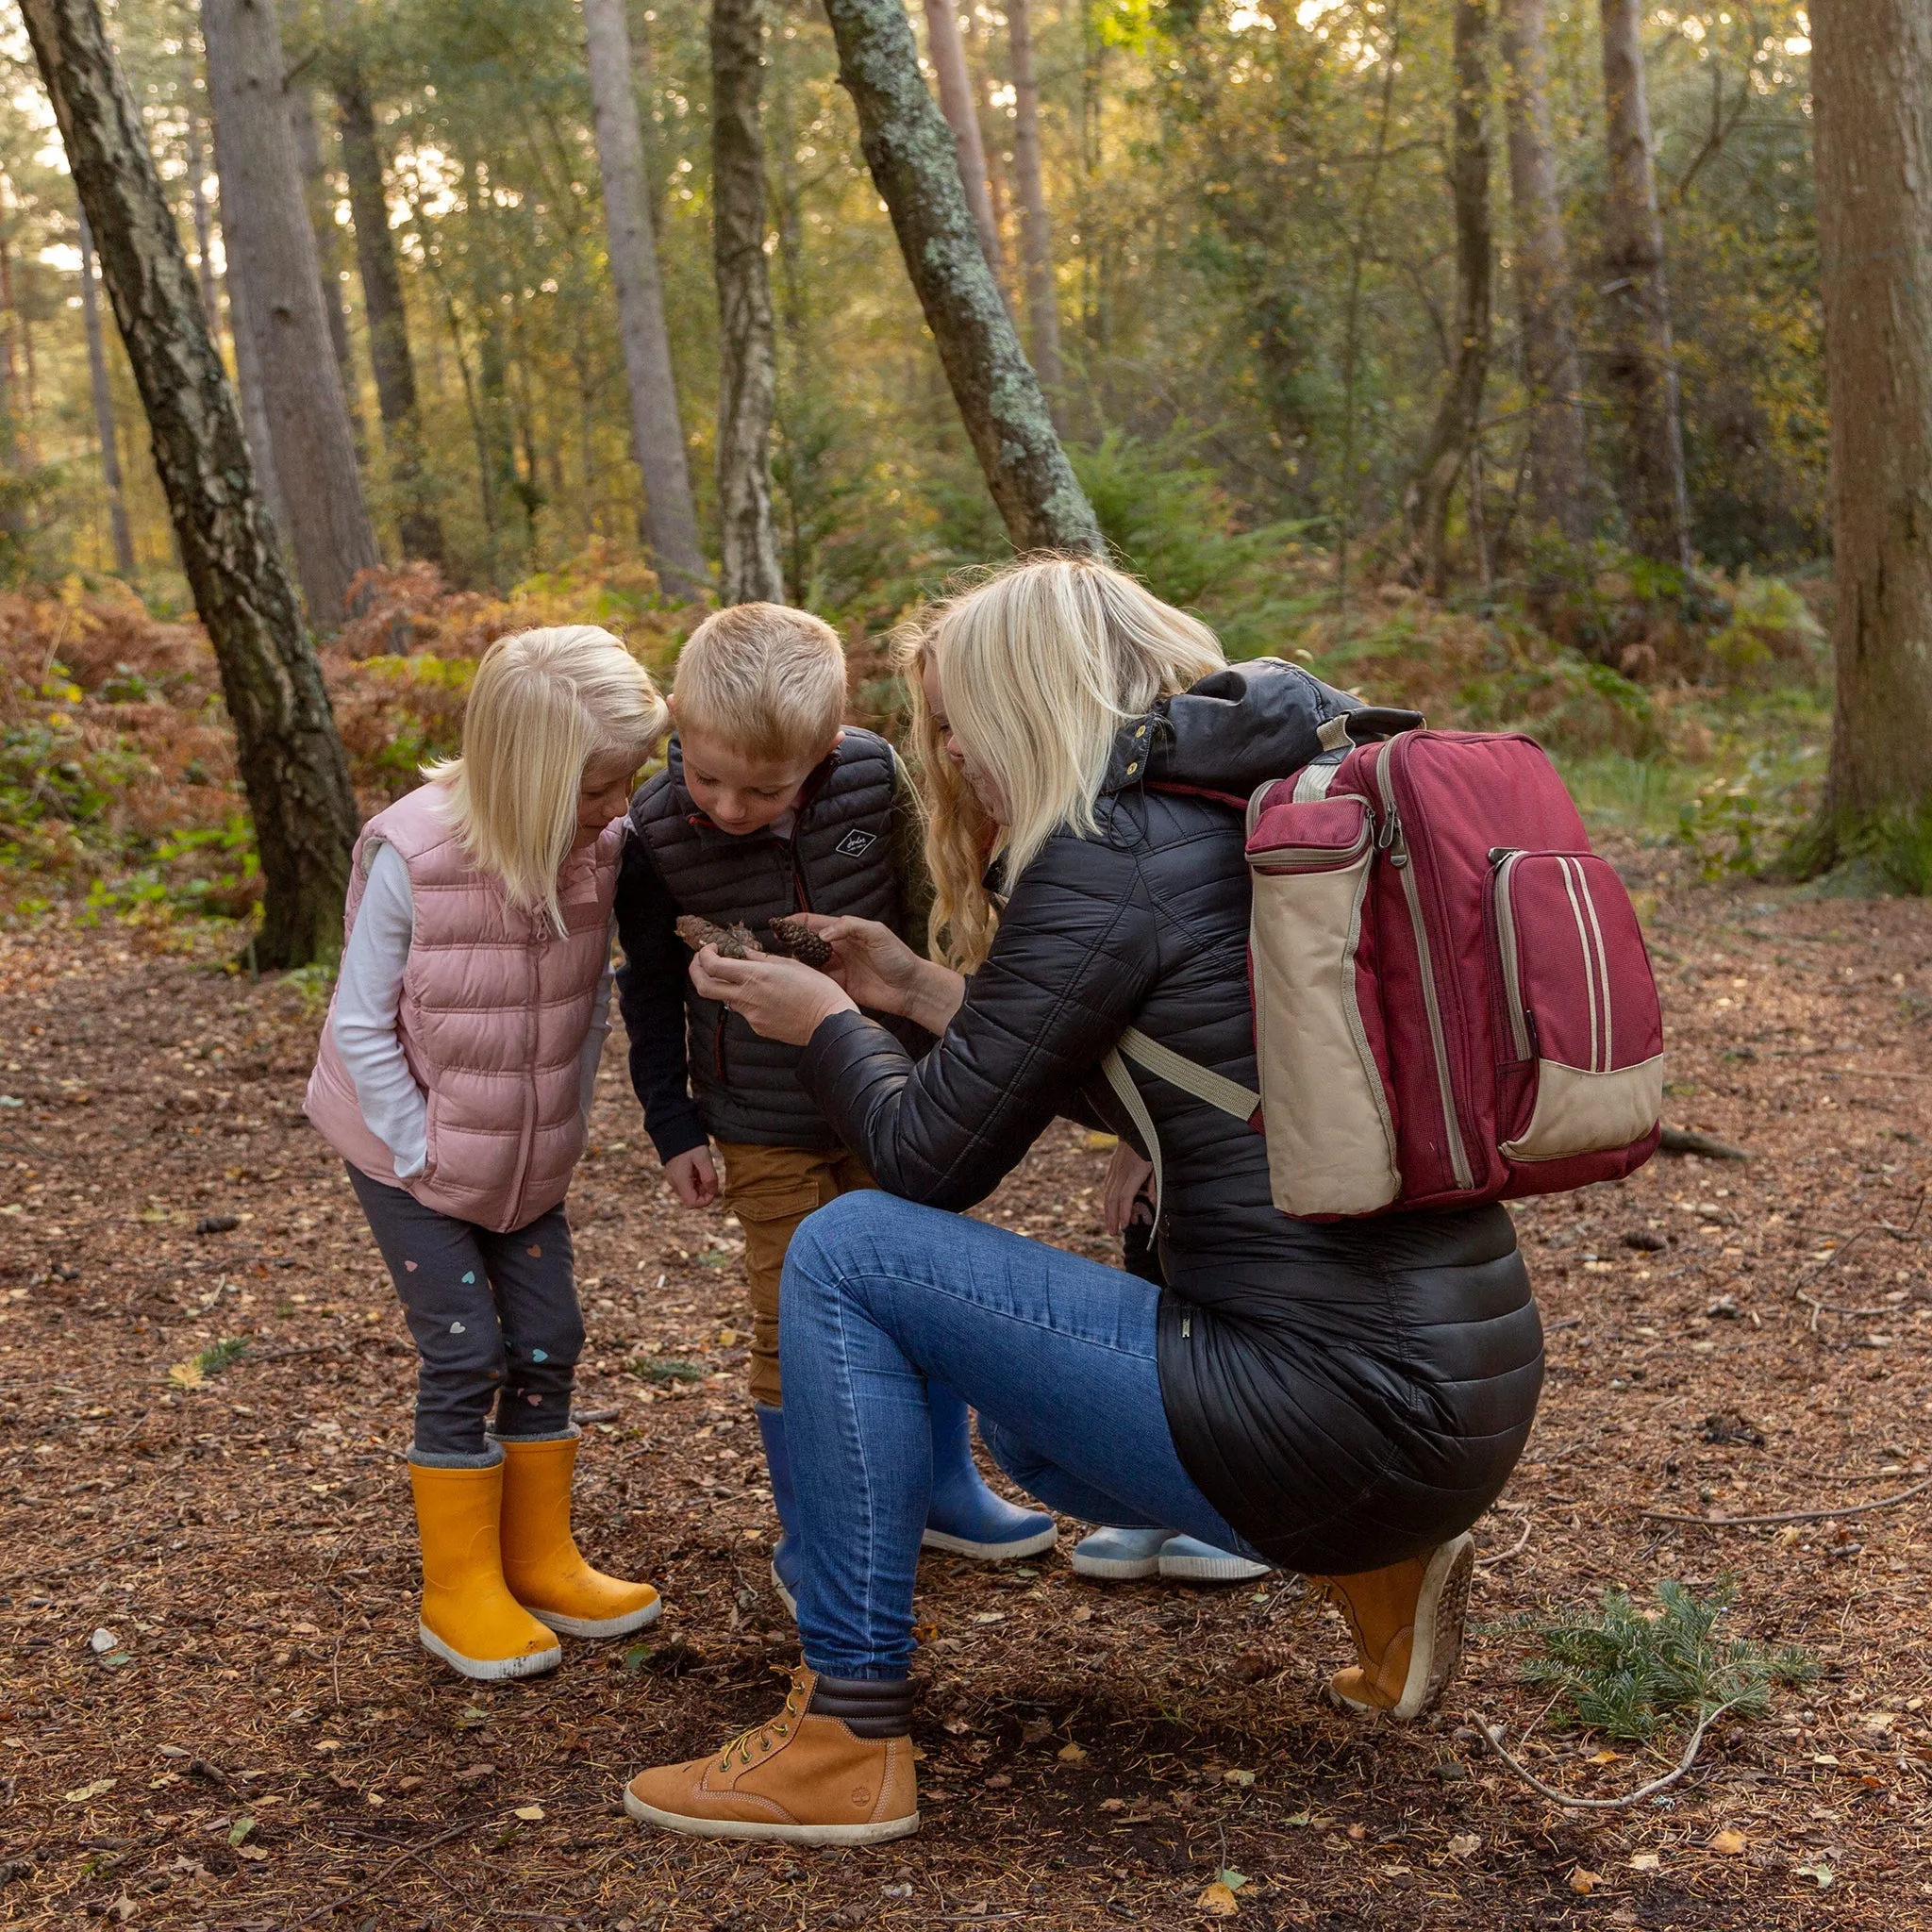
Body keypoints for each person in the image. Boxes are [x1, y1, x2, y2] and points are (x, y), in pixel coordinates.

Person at [619, 558, 1543, 1845]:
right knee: (1036, 1444)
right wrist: (907, 990)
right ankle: (1377, 1567)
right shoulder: (1235, 808)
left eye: (957, 720)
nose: (943, 750)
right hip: (1453, 1395)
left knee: (844, 1250)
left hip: (1336, 1411)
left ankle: (842, 1731)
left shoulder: (1107, 855)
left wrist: (825, 1023)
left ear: (1029, 702)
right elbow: (1167, 1065)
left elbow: (925, 1163)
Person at [613, 601, 1055, 1612]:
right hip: (759, 1121)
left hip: (896, 1095)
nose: (728, 807)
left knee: (924, 1289)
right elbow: (643, 987)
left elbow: (926, 903)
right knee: (790, 1322)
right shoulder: (648, 828)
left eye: (764, 787)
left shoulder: (873, 776)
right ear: (676, 717)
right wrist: (672, 1121)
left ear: (828, 743)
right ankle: (816, 1528)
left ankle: (942, 1488)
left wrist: (955, 1041)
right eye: (707, 774)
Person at [306, 625, 670, 1683]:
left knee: (551, 1333)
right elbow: (360, 1024)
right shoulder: (411, 855)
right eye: (603, 783)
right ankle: (456, 1586)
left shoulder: (594, 845)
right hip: (405, 1156)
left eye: (629, 779)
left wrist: (561, 1121)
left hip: (525, 1159)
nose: (620, 805)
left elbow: (584, 1004)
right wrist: (421, 1150)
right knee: (466, 1350)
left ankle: (539, 1555)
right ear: (533, 774)